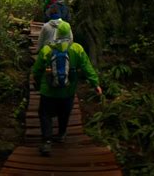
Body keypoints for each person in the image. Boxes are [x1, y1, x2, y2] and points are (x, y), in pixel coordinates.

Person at [32, 20, 102, 156]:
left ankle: (46, 141)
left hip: (48, 91)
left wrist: (36, 82)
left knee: (45, 114)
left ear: (56, 34)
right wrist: (95, 84)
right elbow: (87, 68)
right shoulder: (77, 49)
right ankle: (62, 134)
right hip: (68, 91)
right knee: (64, 113)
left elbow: (37, 70)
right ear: (70, 33)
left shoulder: (47, 49)